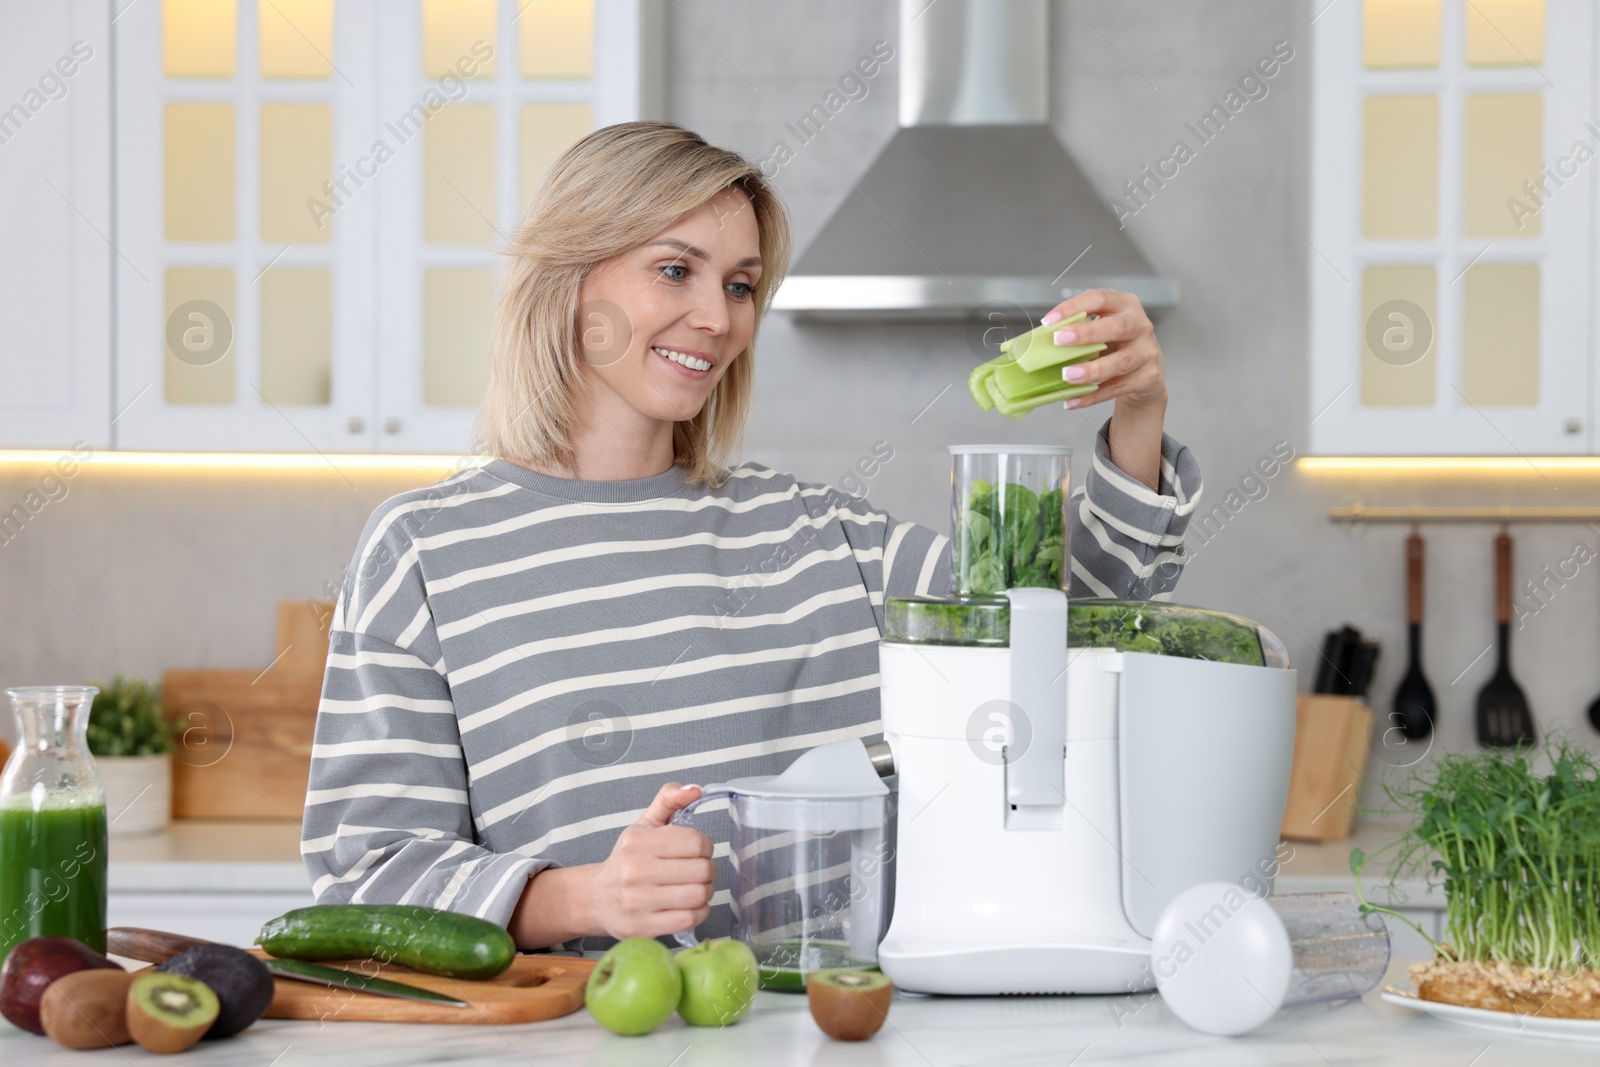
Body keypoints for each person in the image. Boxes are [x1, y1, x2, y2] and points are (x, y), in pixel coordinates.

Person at [302, 122, 1202, 953]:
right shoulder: (424, 553)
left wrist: (1139, 411)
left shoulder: (819, 535)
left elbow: (1071, 627)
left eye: (739, 285)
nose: (717, 318)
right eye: (674, 270)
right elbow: (364, 877)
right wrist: (582, 897)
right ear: (569, 275)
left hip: (849, 1034)